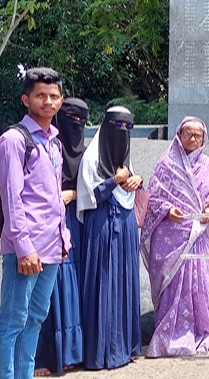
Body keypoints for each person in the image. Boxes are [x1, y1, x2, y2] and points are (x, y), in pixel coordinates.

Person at [0, 67, 70, 379]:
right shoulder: (14, 140)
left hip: (51, 246)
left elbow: (51, 197)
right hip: (26, 249)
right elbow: (13, 198)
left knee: (35, 316)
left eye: (53, 96)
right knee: (12, 320)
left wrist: (64, 238)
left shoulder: (55, 142)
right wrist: (24, 249)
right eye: (40, 96)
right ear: (26, 99)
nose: (48, 101)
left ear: (61, 101)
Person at [141, 116, 209, 357]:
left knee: (199, 285)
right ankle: (169, 336)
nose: (192, 138)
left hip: (197, 234)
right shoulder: (166, 164)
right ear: (179, 136)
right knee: (172, 287)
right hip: (171, 235)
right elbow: (154, 199)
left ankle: (200, 331)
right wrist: (169, 210)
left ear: (204, 139)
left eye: (197, 135)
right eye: (188, 134)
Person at [76, 106, 142, 370]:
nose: (121, 134)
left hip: (125, 227)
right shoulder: (92, 158)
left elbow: (131, 190)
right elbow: (88, 196)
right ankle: (100, 352)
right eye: (117, 127)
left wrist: (137, 179)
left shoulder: (125, 159)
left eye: (127, 128)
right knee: (102, 282)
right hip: (101, 226)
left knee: (124, 282)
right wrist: (114, 180)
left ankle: (125, 347)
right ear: (105, 127)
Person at [34, 98, 88, 376]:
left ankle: (71, 353)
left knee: (73, 288)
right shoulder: (48, 148)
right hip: (48, 223)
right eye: (70, 119)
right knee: (51, 288)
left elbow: (96, 183)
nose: (75, 126)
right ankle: (45, 356)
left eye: (81, 120)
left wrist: (76, 194)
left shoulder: (89, 153)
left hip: (77, 225)